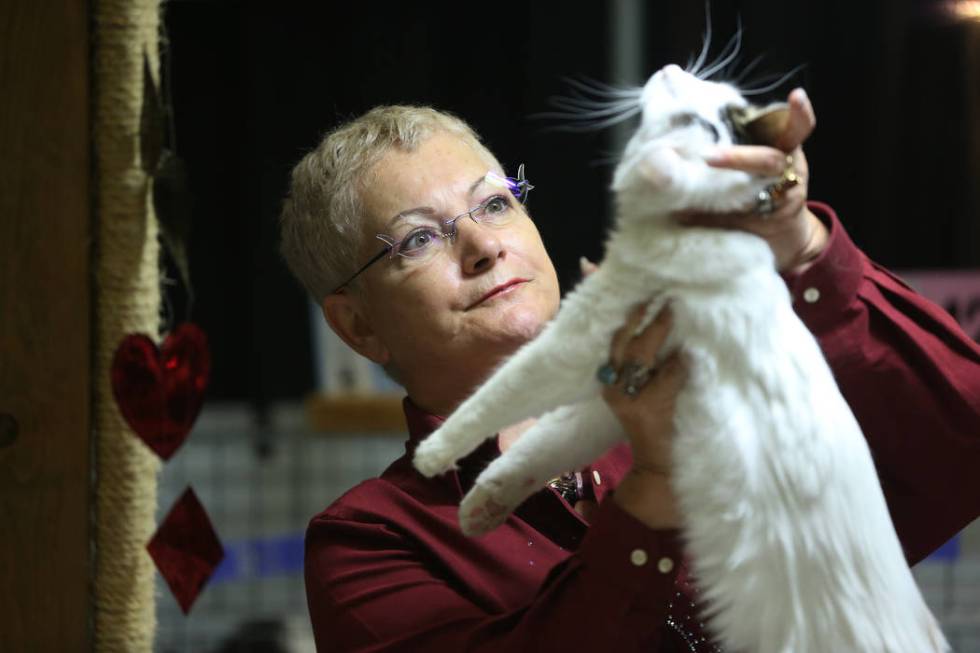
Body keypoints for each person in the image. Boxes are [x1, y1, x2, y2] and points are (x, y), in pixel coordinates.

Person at [278, 97, 980, 651]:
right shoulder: (369, 544)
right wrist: (656, 485)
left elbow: (959, 452)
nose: (484, 245)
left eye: (495, 203)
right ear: (358, 325)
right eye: (419, 239)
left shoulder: (714, 391)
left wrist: (799, 247)